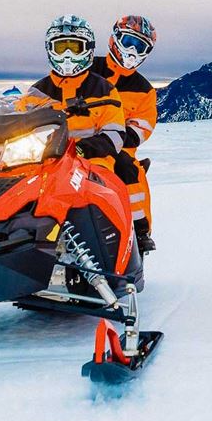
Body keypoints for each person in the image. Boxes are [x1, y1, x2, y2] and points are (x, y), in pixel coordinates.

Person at [18, 15, 126, 171]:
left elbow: (115, 135)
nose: (67, 55)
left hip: (93, 165)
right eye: (61, 48)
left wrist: (81, 149)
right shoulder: (35, 93)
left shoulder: (104, 90)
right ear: (50, 49)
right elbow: (18, 129)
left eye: (75, 48)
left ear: (88, 48)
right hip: (43, 165)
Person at [91, 15, 158, 253]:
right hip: (73, 142)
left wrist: (116, 139)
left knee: (129, 170)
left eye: (139, 46)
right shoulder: (88, 70)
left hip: (116, 149)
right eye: (129, 41)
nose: (132, 50)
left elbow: (143, 125)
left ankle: (139, 232)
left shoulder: (144, 90)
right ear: (115, 39)